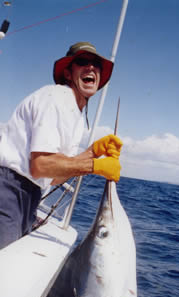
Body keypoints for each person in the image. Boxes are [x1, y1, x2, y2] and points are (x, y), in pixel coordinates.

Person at [0, 41, 123, 250]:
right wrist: (96, 167)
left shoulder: (73, 110)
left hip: (28, 196)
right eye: (82, 61)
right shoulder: (56, 97)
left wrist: (92, 153)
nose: (91, 67)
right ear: (67, 73)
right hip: (8, 190)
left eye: (96, 64)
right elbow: (41, 166)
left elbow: (53, 175)